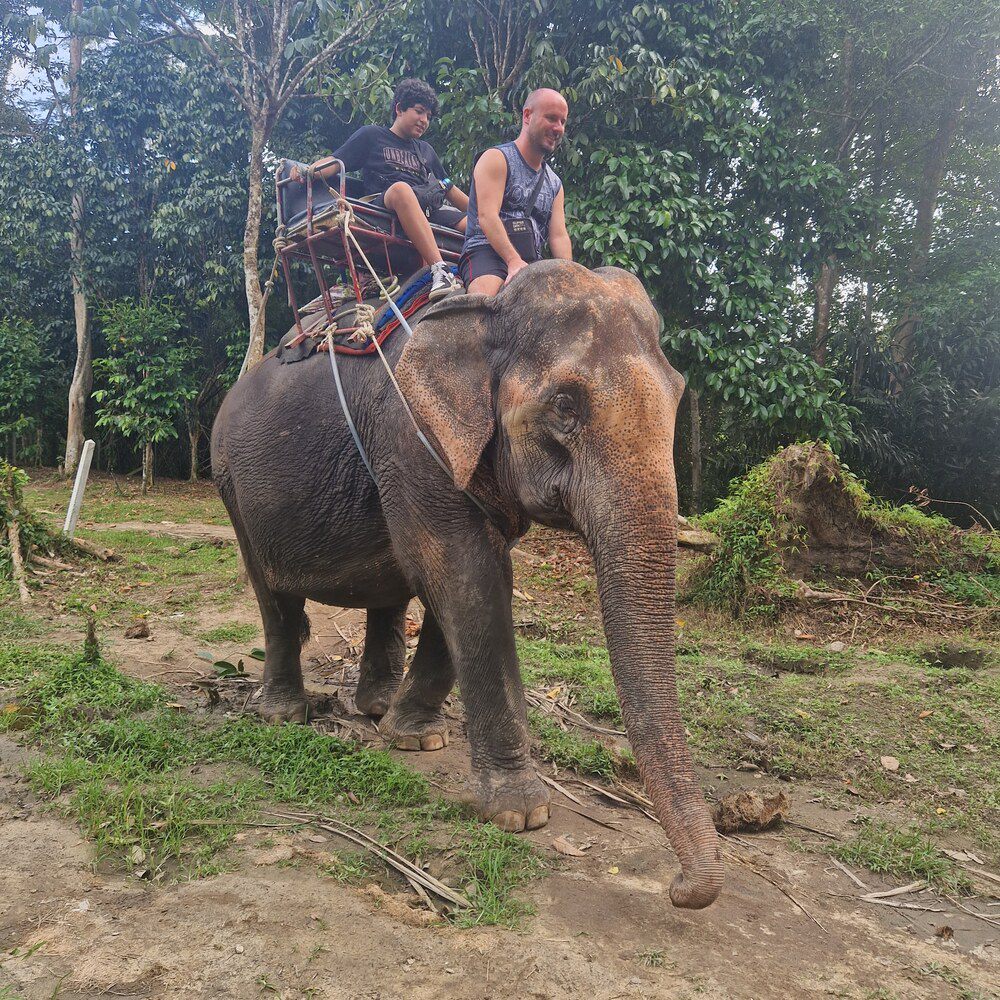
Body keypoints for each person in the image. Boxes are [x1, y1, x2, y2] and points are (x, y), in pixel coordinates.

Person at [303, 79, 467, 301]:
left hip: (425, 209)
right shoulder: (372, 136)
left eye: (428, 116)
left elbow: (447, 187)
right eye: (419, 111)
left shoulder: (426, 150)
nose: (424, 120)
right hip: (385, 205)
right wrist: (308, 171)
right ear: (399, 109)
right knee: (402, 190)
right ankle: (440, 270)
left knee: (475, 222)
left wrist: (486, 212)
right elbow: (335, 161)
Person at [459, 88, 572, 296]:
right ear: (527, 116)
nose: (558, 128)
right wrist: (513, 260)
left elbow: (558, 236)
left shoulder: (555, 183)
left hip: (532, 262)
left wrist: (569, 277)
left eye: (562, 121)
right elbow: (487, 216)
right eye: (551, 118)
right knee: (483, 299)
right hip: (487, 252)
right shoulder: (496, 158)